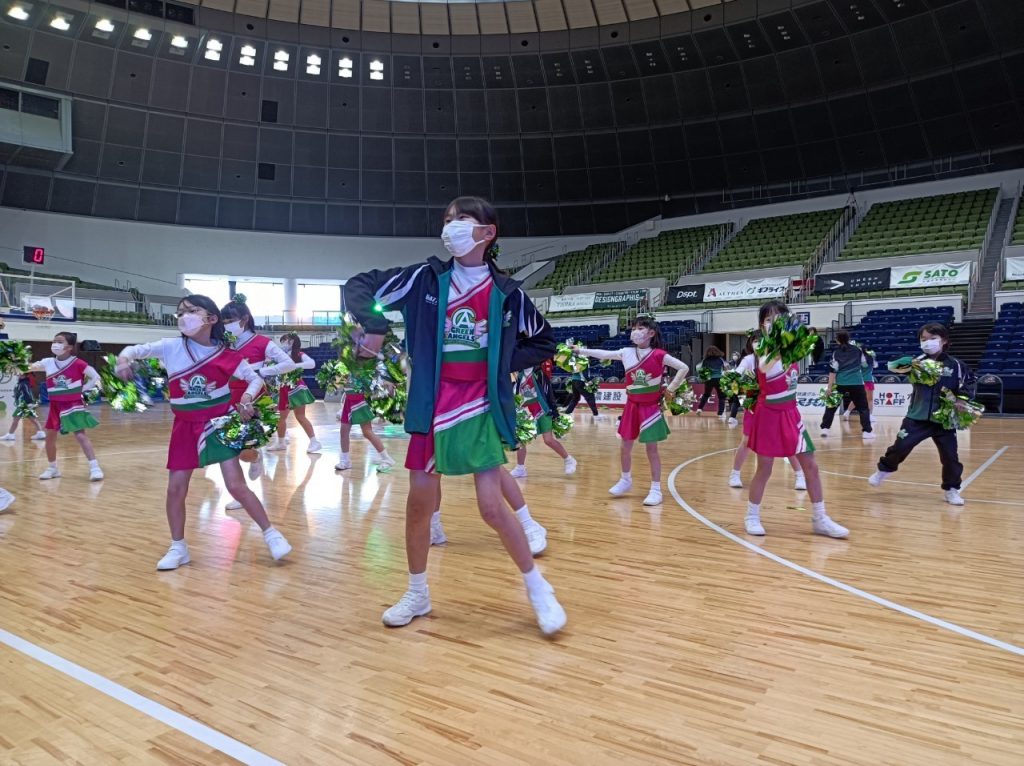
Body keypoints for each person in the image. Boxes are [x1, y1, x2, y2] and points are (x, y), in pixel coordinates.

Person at [342, 196, 566, 636]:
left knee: (491, 508)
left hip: (480, 403)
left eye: (462, 219)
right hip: (432, 402)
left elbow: (543, 341)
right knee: (418, 506)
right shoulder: (423, 278)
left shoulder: (508, 293)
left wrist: (498, 362)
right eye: (447, 220)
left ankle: (538, 587)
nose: (451, 227)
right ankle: (417, 592)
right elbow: (359, 284)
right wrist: (375, 326)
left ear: (487, 232)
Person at [116, 295, 292, 570]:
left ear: (211, 318)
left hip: (218, 423)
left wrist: (246, 398)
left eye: (191, 311)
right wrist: (123, 360)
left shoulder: (227, 354)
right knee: (175, 489)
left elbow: (255, 378)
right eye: (180, 313)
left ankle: (271, 534)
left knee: (236, 486)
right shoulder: (170, 347)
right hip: (184, 426)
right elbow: (133, 350)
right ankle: (178, 547)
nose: (184, 316)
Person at [744, 300, 848, 538]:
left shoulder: (794, 347)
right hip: (768, 414)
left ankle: (820, 518)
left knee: (811, 465)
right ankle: (751, 516)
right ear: (761, 325)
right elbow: (764, 366)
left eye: (778, 318)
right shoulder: (761, 345)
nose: (773, 323)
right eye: (768, 320)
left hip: (791, 413)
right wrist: (781, 344)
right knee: (765, 469)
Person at [576, 316, 689, 506]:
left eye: (640, 328)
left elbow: (683, 368)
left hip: (650, 407)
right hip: (631, 405)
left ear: (651, 333)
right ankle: (625, 479)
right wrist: (580, 350)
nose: (635, 331)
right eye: (634, 328)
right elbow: (603, 354)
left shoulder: (659, 354)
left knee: (651, 449)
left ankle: (656, 489)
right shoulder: (626, 352)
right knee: (625, 446)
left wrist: (671, 388)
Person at [869, 323, 970, 506]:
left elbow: (966, 386)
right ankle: (884, 469)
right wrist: (909, 362)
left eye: (933, 338)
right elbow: (893, 366)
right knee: (900, 447)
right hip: (917, 417)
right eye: (924, 339)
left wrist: (962, 400)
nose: (928, 342)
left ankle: (951, 489)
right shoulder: (916, 363)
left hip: (944, 419)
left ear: (944, 340)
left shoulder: (956, 365)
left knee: (950, 457)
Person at [219, 297, 299, 507]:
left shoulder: (262, 342)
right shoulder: (224, 344)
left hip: (253, 399)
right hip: (228, 398)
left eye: (230, 320)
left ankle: (255, 457)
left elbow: (289, 364)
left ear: (244, 319)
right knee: (229, 450)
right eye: (224, 321)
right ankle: (239, 493)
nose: (226, 324)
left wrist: (262, 371)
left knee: (243, 451)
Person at [728, 332, 806, 491]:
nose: (758, 344)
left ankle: (799, 475)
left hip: (777, 407)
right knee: (747, 440)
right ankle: (734, 474)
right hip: (755, 405)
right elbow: (739, 373)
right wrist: (734, 377)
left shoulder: (779, 358)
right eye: (755, 341)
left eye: (761, 340)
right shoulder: (749, 359)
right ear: (750, 343)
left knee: (788, 439)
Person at [30, 332, 103, 481]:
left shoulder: (78, 363)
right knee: (50, 438)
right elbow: (29, 367)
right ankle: (52, 468)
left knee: (80, 435)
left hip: (73, 404)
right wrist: (15, 363)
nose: (55, 344)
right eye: (54, 341)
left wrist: (82, 388)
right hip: (55, 405)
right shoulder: (48, 362)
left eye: (59, 341)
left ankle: (95, 468)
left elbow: (96, 377)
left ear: (69, 347)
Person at [510, 366, 577, 479]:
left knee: (548, 440)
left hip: (541, 409)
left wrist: (554, 412)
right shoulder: (518, 374)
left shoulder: (539, 373)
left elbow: (548, 393)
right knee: (521, 440)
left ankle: (569, 460)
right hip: (526, 410)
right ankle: (520, 468)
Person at [268, 333, 320, 453]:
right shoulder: (279, 356)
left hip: (296, 387)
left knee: (300, 416)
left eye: (284, 341)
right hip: (283, 387)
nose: (282, 343)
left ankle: (314, 442)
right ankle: (281, 442)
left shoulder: (299, 354)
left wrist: (292, 366)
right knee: (280, 417)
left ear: (291, 342)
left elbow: (311, 363)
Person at [819, 331, 874, 441]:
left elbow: (833, 371)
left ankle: (825, 429)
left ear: (837, 340)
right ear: (848, 339)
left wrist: (829, 387)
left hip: (840, 383)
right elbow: (864, 365)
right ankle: (867, 432)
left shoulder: (836, 353)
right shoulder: (857, 350)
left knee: (831, 407)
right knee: (863, 408)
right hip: (857, 383)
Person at [334, 382, 397, 472]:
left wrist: (386, 384)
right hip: (349, 400)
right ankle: (345, 461)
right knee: (343, 431)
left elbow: (370, 378)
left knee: (367, 432)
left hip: (360, 400)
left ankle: (386, 459)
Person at [1, 372, 46, 441]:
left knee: (15, 419)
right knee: (33, 419)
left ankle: (10, 435)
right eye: (19, 374)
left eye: (21, 374)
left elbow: (27, 394)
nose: (19, 375)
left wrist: (29, 403)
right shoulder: (23, 383)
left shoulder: (23, 383)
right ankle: (41, 433)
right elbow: (23, 393)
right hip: (26, 404)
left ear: (25, 376)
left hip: (23, 404)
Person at [844, 348, 877, 423]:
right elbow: (875, 365)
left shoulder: (856, 360)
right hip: (868, 381)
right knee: (869, 399)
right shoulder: (870, 359)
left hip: (858, 381)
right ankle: (869, 416)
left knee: (856, 399)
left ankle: (847, 413)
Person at [694, 346, 727, 418]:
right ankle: (720, 413)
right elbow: (726, 368)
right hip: (719, 379)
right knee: (721, 396)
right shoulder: (720, 359)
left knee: (706, 394)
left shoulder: (705, 360)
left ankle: (699, 409)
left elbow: (700, 369)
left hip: (709, 379)